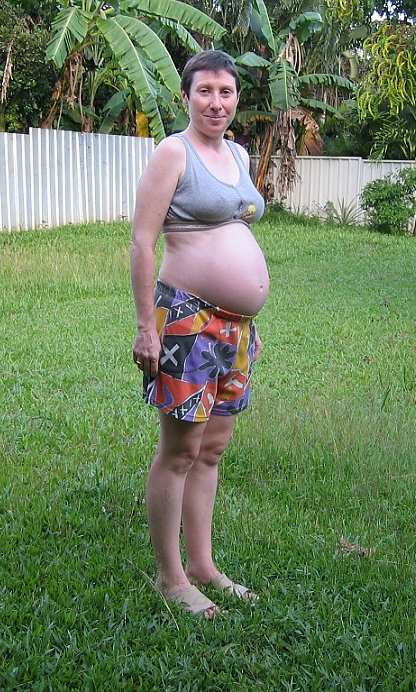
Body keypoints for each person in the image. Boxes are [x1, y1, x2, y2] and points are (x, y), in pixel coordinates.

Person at [130, 49, 269, 618]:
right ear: (186, 96)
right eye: (205, 91)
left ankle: (204, 566)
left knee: (211, 450)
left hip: (236, 329)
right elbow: (142, 242)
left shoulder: (237, 153)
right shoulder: (173, 152)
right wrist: (147, 327)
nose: (216, 102)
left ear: (237, 99)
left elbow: (235, 226)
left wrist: (245, 315)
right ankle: (170, 577)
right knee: (181, 450)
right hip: (187, 321)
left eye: (226, 92)